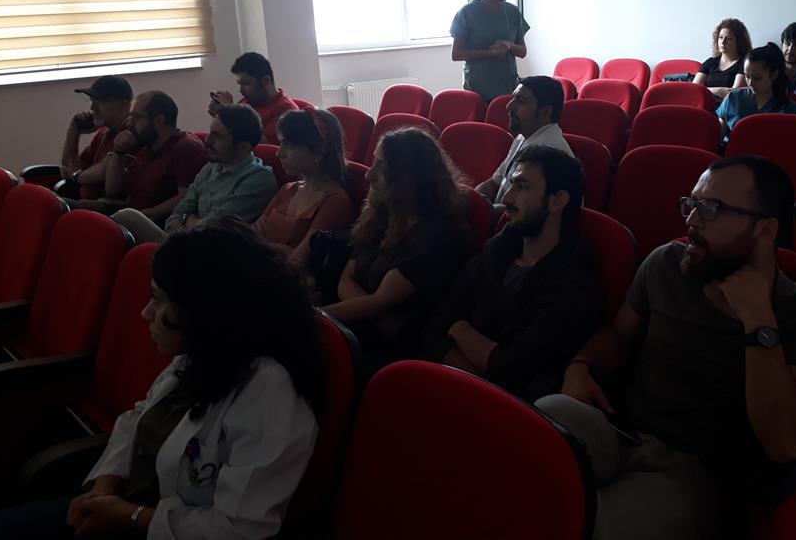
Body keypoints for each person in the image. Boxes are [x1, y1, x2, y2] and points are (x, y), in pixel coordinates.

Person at [536, 156, 796, 540]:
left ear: (764, 229)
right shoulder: (666, 263)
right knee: (542, 423)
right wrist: (581, 365)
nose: (692, 221)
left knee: (593, 527)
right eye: (692, 204)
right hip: (624, 433)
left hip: (696, 473)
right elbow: (619, 335)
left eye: (711, 209)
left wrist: (758, 320)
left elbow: (785, 443)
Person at [0, 221, 324, 539]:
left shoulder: (270, 392)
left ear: (205, 311)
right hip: (123, 507)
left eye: (159, 302)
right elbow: (138, 418)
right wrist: (106, 483)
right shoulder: (208, 352)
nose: (146, 313)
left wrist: (130, 516)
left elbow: (238, 529)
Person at [422, 147, 602, 402]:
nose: (506, 198)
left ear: (557, 200)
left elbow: (514, 372)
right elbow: (433, 329)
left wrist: (460, 330)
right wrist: (475, 372)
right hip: (455, 388)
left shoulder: (574, 285)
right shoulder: (498, 249)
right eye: (511, 184)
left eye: (522, 187)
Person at [320, 128, 468, 367]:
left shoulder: (437, 235)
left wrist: (314, 316)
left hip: (393, 352)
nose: (369, 175)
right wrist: (373, 313)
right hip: (362, 326)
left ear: (408, 178)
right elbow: (347, 279)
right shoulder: (382, 214)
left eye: (381, 168)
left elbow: (381, 302)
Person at [112, 105, 278, 244]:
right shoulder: (210, 168)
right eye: (211, 132)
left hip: (214, 255)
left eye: (217, 136)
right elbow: (180, 210)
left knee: (127, 218)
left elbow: (217, 226)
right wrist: (184, 222)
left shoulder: (259, 179)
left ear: (243, 147)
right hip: (182, 242)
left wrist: (189, 222)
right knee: (118, 226)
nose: (208, 141)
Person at [66, 91, 208, 220]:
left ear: (159, 120)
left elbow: (187, 197)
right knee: (62, 207)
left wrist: (142, 215)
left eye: (136, 117)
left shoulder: (185, 147)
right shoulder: (147, 146)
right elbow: (113, 191)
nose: (129, 124)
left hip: (150, 221)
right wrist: (119, 153)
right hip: (124, 210)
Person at [252, 109, 354, 267]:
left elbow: (296, 262)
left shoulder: (335, 202)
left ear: (319, 150)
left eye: (289, 145)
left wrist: (262, 245)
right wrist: (280, 249)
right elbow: (250, 237)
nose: (279, 153)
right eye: (281, 143)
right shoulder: (288, 189)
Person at [475, 76, 573, 214]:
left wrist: (480, 211)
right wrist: (474, 200)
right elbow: (494, 183)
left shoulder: (550, 152)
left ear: (545, 112)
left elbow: (525, 213)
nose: (509, 106)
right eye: (513, 98)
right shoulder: (523, 137)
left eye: (521, 101)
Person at [450, 0, 530, 103]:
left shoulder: (512, 12)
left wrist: (510, 45)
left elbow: (523, 52)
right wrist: (489, 53)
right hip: (477, 90)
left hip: (507, 88)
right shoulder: (467, 13)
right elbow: (456, 54)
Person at [59, 76, 135, 199]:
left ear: (123, 104)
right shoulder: (102, 134)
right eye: (92, 101)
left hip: (107, 207)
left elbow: (101, 172)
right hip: (84, 203)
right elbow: (67, 170)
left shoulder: (131, 135)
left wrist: (76, 175)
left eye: (100, 101)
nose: (92, 108)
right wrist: (73, 131)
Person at [208, 52, 299, 144]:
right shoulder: (248, 101)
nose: (241, 90)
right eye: (240, 84)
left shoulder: (285, 110)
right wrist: (220, 114)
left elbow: (265, 147)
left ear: (266, 81)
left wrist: (230, 112)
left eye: (246, 83)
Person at [716, 43, 796, 139]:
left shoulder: (788, 109)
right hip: (733, 148)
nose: (750, 83)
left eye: (757, 78)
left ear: (774, 74)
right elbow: (718, 136)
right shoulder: (733, 98)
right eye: (747, 77)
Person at [693, 18, 751, 100]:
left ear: (739, 42)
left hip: (728, 107)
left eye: (728, 39)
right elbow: (694, 90)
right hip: (705, 104)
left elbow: (734, 94)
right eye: (720, 37)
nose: (722, 42)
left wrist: (705, 91)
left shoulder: (745, 63)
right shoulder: (710, 62)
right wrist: (720, 91)